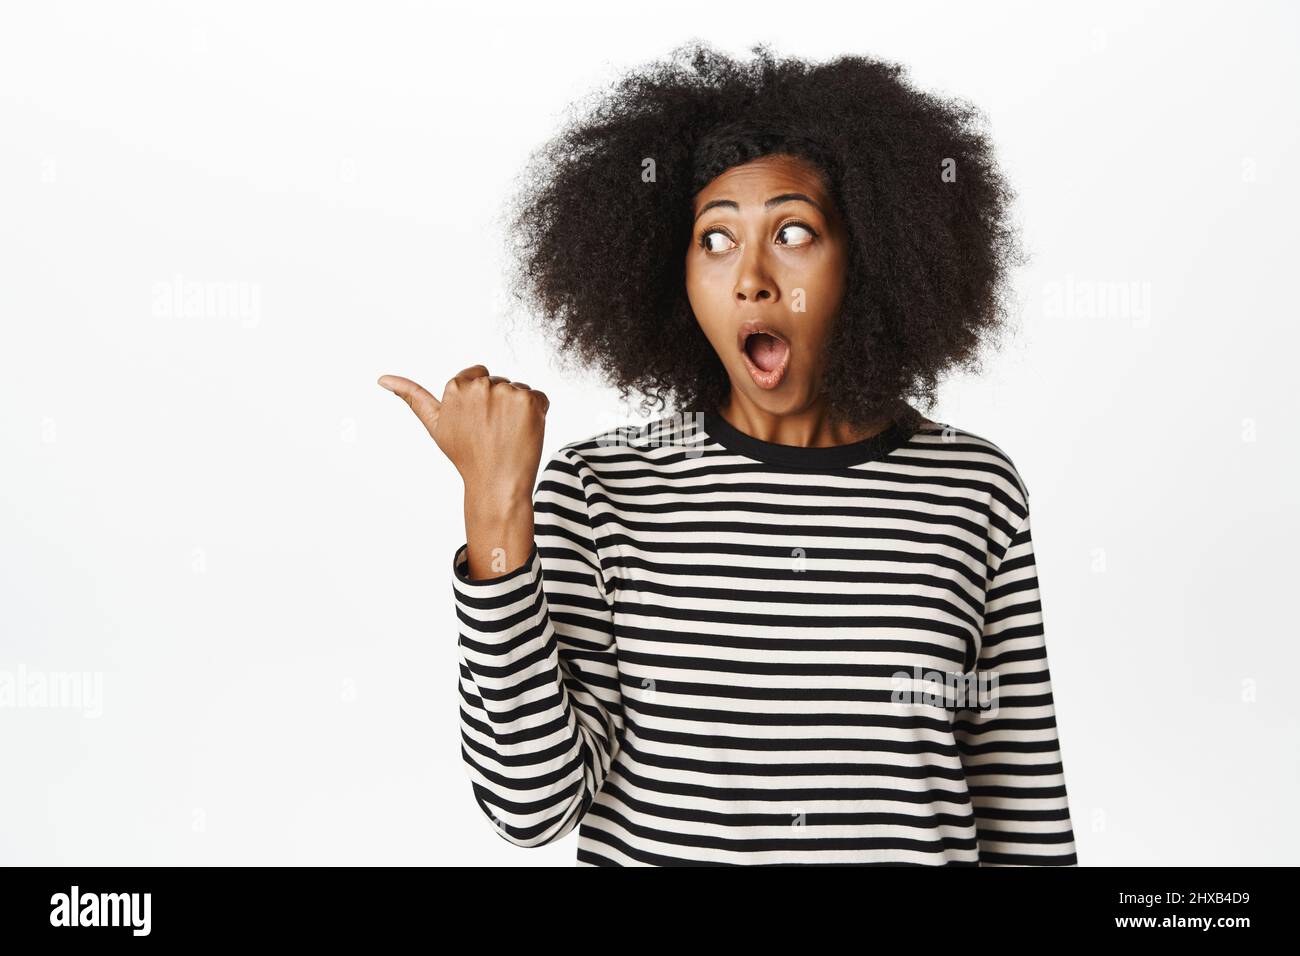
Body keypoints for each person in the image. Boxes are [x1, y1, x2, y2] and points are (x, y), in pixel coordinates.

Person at [379, 41, 1077, 866]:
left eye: (792, 232)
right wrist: (495, 514)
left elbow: (1020, 806)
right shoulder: (600, 491)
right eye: (715, 240)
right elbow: (532, 808)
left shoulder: (973, 488)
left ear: (870, 259)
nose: (749, 277)